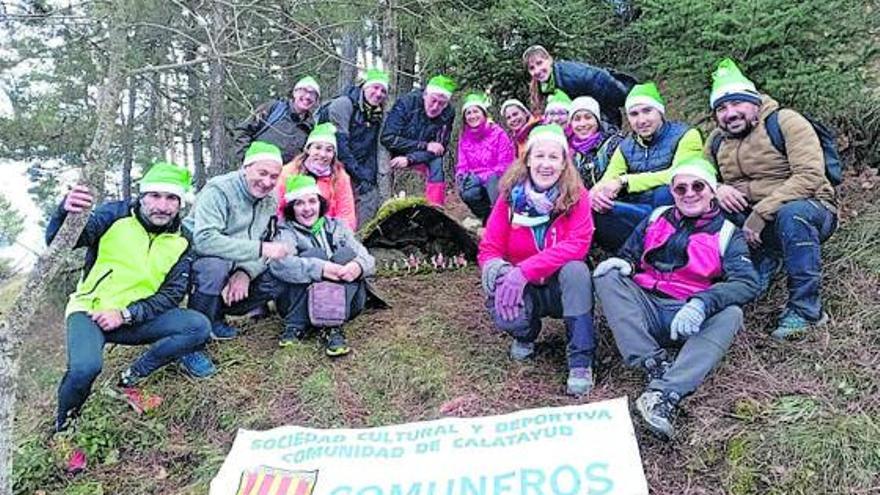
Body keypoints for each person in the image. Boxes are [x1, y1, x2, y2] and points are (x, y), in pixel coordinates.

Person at [593, 157, 760, 439]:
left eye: (698, 186)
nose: (689, 193)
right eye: (680, 188)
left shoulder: (728, 233)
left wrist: (702, 302)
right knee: (607, 275)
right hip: (644, 305)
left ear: (711, 191)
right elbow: (629, 254)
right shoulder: (657, 216)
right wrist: (626, 265)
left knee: (732, 314)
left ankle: (663, 393)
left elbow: (746, 282)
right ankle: (651, 361)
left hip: (687, 314)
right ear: (672, 192)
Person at [47, 163, 211, 432]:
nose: (163, 205)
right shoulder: (114, 214)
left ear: (180, 203)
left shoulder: (183, 239)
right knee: (85, 369)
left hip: (134, 316)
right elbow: (61, 241)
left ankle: (132, 377)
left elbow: (171, 294)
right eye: (155, 196)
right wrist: (65, 211)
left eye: (171, 198)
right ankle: (64, 428)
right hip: (90, 311)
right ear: (142, 196)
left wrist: (126, 314)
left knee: (198, 326)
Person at [705, 58, 838, 340]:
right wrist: (716, 187)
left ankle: (806, 309)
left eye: (736, 104)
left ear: (754, 102)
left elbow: (809, 176)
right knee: (705, 211)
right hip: (752, 217)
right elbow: (697, 176)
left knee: (793, 214)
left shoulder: (785, 121)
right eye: (721, 108)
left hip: (810, 207)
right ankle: (748, 272)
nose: (730, 113)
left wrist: (762, 212)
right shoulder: (716, 140)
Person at [478, 124, 597, 396]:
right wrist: (497, 268)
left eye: (554, 157)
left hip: (559, 286)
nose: (546, 164)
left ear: (564, 163)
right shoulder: (509, 197)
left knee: (577, 271)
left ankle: (581, 359)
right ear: (528, 159)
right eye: (539, 156)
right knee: (500, 287)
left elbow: (577, 245)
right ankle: (525, 332)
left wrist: (525, 271)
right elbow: (490, 246)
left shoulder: (577, 196)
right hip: (523, 284)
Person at [179, 141, 292, 377]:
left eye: (274, 176)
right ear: (245, 167)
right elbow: (205, 241)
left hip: (238, 261)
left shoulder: (270, 200)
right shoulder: (218, 190)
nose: (267, 182)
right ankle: (189, 345)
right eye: (262, 173)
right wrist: (260, 250)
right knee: (214, 267)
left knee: (282, 268)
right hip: (197, 261)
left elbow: (266, 240)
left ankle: (217, 316)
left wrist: (245, 272)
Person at [269, 175, 376, 356]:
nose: (307, 208)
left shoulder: (338, 226)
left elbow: (368, 258)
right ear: (291, 208)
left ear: (320, 203)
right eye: (299, 203)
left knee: (345, 255)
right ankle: (296, 326)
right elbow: (280, 264)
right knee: (314, 255)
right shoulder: (286, 231)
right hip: (297, 305)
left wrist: (357, 267)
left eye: (312, 201)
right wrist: (321, 269)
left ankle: (331, 327)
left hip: (347, 302)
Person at [591, 82, 703, 252]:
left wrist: (625, 181)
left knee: (665, 191)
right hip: (640, 212)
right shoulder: (626, 147)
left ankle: (668, 249)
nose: (641, 120)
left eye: (647, 111)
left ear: (660, 111)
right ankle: (626, 257)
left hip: (675, 212)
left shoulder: (686, 135)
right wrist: (596, 194)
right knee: (599, 207)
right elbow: (609, 178)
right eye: (634, 114)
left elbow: (680, 175)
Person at [316, 68, 389, 225]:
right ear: (364, 86)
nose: (379, 94)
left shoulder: (377, 113)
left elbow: (370, 148)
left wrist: (368, 175)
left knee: (369, 197)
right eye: (375, 87)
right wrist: (358, 173)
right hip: (332, 164)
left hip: (358, 166)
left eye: (383, 91)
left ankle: (360, 238)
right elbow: (340, 146)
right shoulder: (343, 105)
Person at [380, 75, 456, 206]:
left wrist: (410, 159)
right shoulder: (406, 103)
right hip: (397, 149)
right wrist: (424, 145)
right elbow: (388, 137)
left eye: (441, 104)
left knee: (437, 163)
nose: (435, 107)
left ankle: (435, 208)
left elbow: (439, 148)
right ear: (425, 95)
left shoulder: (448, 113)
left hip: (420, 155)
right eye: (433, 100)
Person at [522, 45, 635, 128]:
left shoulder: (571, 75)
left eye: (540, 63)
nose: (537, 70)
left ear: (549, 60)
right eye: (532, 68)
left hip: (602, 118)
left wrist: (628, 97)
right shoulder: (544, 85)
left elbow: (600, 79)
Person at [276, 123, 357, 231]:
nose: (323, 154)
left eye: (329, 150)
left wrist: (340, 237)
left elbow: (346, 215)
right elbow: (277, 209)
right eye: (318, 148)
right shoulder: (288, 172)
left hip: (329, 232)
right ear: (308, 149)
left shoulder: (340, 177)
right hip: (292, 231)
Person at [455, 93, 516, 222]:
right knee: (468, 193)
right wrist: (461, 176)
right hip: (476, 180)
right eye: (468, 113)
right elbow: (462, 164)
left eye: (476, 111)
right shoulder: (464, 138)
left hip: (496, 179)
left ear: (483, 114)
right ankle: (486, 217)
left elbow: (505, 165)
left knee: (493, 182)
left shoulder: (498, 134)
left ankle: (501, 218)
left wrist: (481, 177)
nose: (472, 116)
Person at [232, 76, 321, 164]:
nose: (308, 96)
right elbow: (242, 130)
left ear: (316, 100)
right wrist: (247, 158)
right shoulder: (274, 109)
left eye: (313, 94)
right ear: (294, 93)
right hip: (256, 172)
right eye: (304, 91)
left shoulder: (311, 127)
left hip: (286, 176)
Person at [568, 96, 618, 188]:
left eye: (588, 117)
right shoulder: (572, 153)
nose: (582, 124)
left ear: (597, 120)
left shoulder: (615, 144)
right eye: (577, 119)